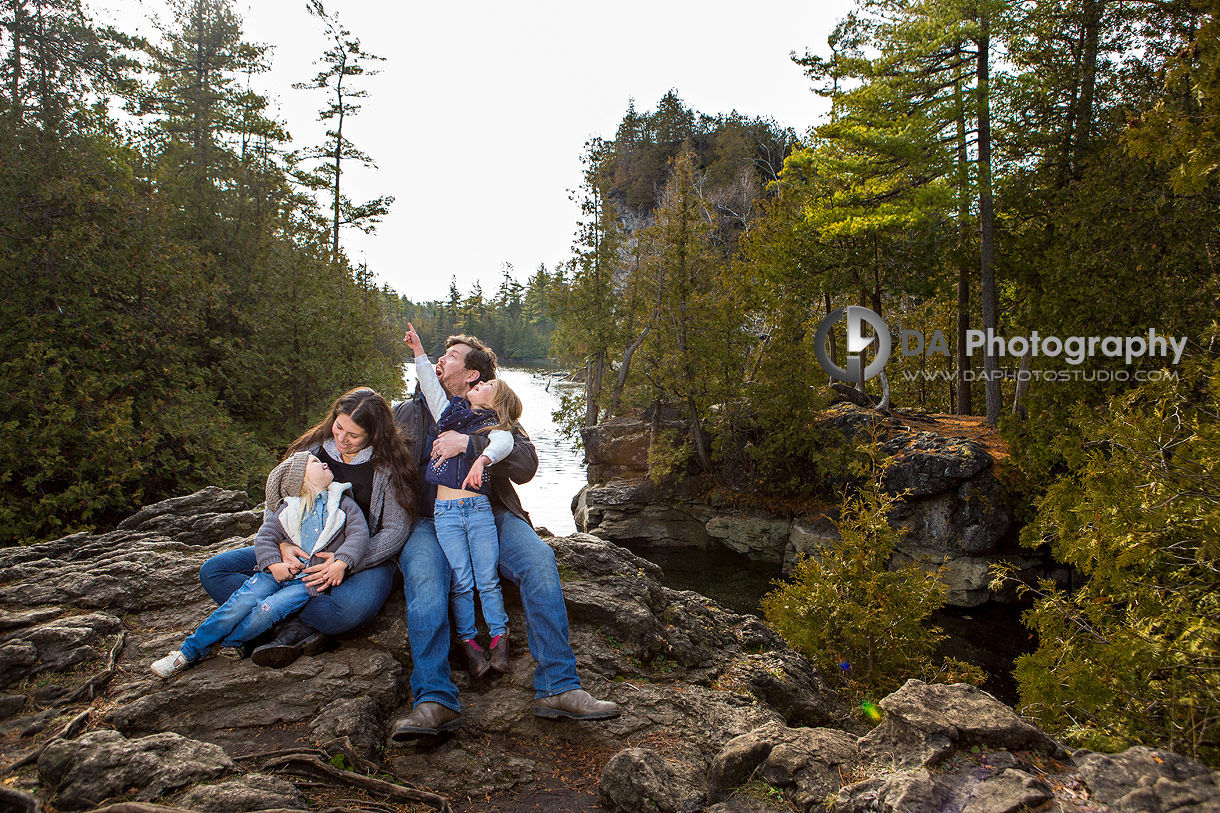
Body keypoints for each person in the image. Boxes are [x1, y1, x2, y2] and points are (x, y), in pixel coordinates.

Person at [390, 333, 621, 740]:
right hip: (427, 521)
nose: (441, 361)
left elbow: (526, 463)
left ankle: (559, 687)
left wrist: (472, 443)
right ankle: (434, 700)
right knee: (426, 581)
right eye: (439, 356)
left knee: (538, 561)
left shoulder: (495, 413)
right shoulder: (407, 411)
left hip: (488, 513)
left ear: (471, 374)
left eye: (452, 356)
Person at [197, 388, 418, 667]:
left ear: (374, 435)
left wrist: (345, 561)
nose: (342, 438)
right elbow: (276, 502)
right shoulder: (310, 451)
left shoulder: (389, 467)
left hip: (362, 554)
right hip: (300, 547)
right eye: (339, 427)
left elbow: (395, 530)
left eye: (353, 435)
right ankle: (293, 624)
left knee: (350, 610)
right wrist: (281, 546)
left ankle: (273, 618)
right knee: (213, 572)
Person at [153, 452, 368, 677]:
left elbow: (358, 535)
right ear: (300, 478)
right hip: (274, 575)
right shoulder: (288, 509)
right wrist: (274, 564)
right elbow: (264, 538)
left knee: (269, 610)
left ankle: (230, 644)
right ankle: (188, 651)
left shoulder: (343, 504)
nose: (324, 462)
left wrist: (341, 562)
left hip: (306, 582)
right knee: (239, 603)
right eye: (315, 462)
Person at [405, 323, 524, 679]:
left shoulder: (494, 425)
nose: (480, 387)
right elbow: (428, 383)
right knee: (461, 580)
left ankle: (500, 637)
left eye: (487, 386)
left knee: (486, 578)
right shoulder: (448, 413)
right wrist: (419, 353)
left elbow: (505, 445)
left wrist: (481, 456)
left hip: (478, 510)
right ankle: (470, 643)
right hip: (445, 513)